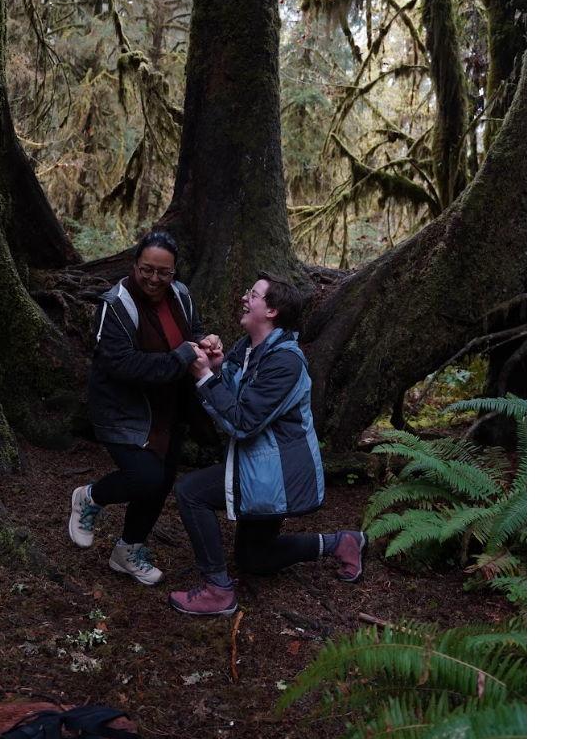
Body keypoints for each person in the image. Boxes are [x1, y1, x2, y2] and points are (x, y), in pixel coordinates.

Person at [168, 275, 367, 616]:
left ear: (272, 310)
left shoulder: (286, 362)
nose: (245, 298)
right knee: (254, 558)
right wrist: (216, 367)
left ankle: (218, 590)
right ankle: (341, 542)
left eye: (253, 294)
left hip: (277, 472)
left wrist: (203, 376)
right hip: (260, 466)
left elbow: (243, 422)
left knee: (191, 492)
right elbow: (232, 390)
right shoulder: (248, 348)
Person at [68, 230, 222, 585]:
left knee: (162, 481)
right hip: (123, 411)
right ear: (135, 265)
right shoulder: (116, 306)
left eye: (163, 272)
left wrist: (204, 342)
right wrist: (182, 355)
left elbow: (192, 331)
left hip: (170, 408)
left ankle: (128, 550)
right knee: (146, 476)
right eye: (147, 270)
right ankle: (90, 497)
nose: (154, 279)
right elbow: (123, 366)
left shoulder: (180, 296)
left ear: (174, 272)